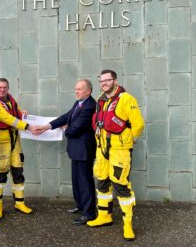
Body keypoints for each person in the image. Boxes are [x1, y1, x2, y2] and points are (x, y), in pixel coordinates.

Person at [87, 69, 144, 241]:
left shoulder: (127, 99)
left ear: (115, 81)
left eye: (107, 80)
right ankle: (105, 216)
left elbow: (138, 124)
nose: (103, 83)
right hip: (102, 148)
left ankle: (127, 224)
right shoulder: (100, 99)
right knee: (102, 182)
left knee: (121, 185)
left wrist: (130, 140)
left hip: (120, 150)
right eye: (101, 81)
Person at [35, 79, 96, 225]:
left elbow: (75, 129)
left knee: (85, 182)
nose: (76, 91)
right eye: (76, 89)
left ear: (88, 91)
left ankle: (89, 213)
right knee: (76, 180)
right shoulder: (79, 103)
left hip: (84, 151)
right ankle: (80, 206)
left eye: (80, 89)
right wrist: (46, 127)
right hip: (76, 150)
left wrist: (65, 129)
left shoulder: (90, 106)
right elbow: (65, 117)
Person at [0, 78, 36, 219]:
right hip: (0, 143)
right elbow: (8, 118)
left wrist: (24, 114)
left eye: (4, 87)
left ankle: (19, 203)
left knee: (18, 171)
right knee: (0, 174)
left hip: (15, 141)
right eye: (0, 87)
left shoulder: (10, 100)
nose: (2, 90)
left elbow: (17, 115)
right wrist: (26, 126)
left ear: (8, 88)